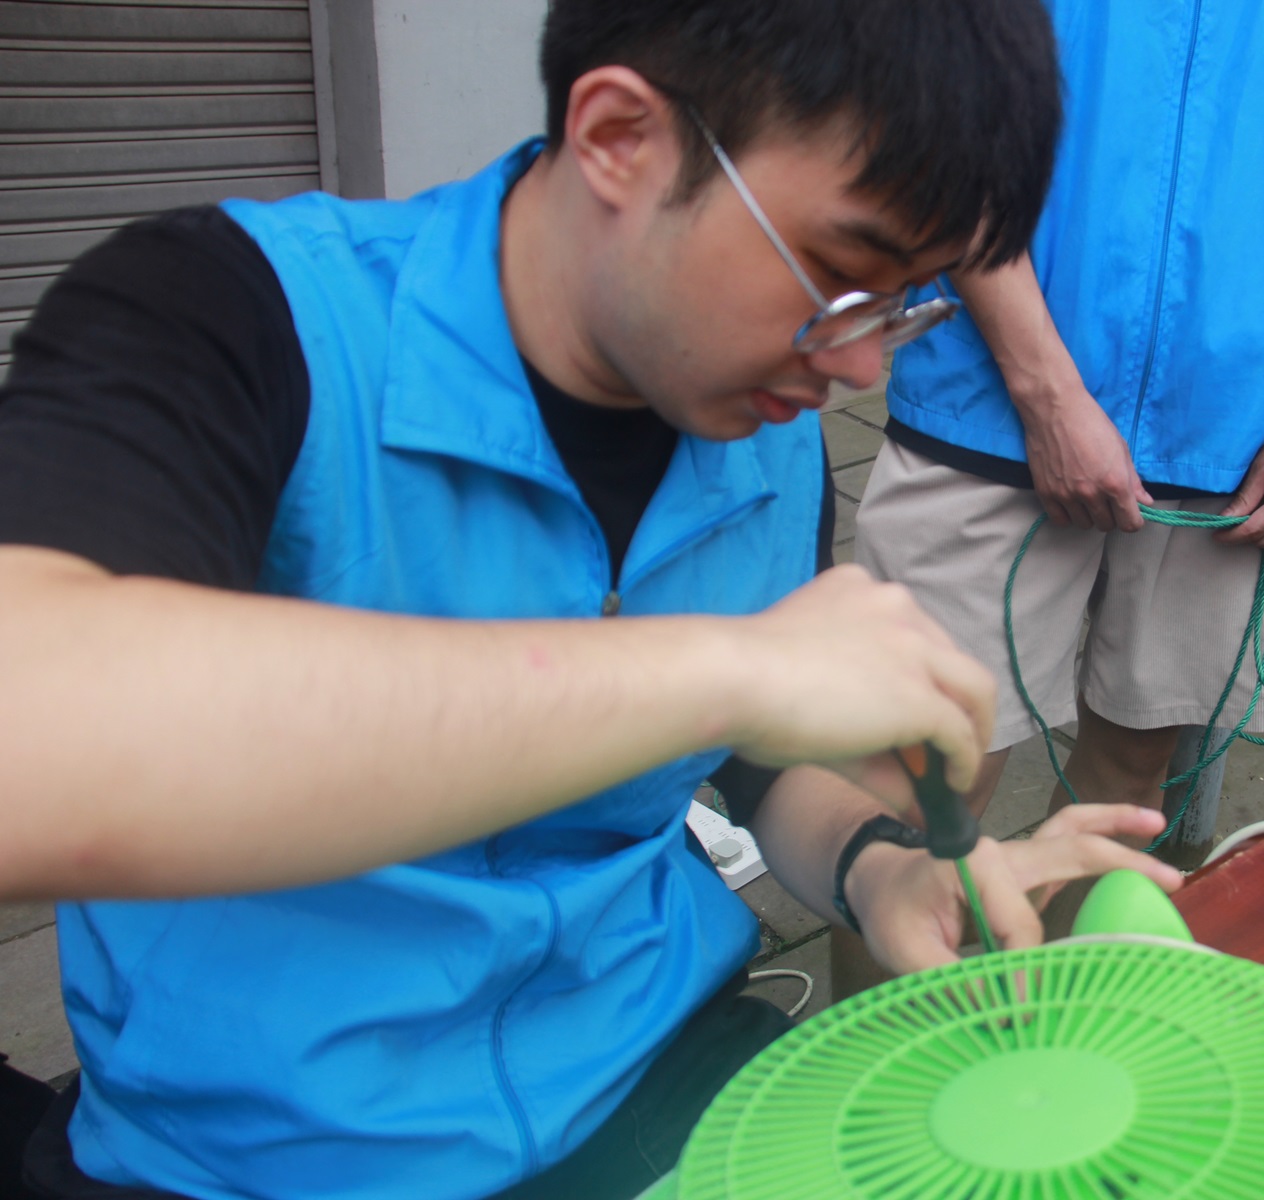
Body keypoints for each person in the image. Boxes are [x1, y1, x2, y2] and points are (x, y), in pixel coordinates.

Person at [0, 3, 1186, 1197]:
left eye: (906, 305)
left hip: (649, 1070)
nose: (858, 368)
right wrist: (721, 669)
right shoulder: (229, 318)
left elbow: (756, 765)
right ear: (620, 136)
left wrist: (882, 866)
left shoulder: (762, 433)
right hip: (258, 1155)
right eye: (838, 276)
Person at [850, 0, 1264, 883]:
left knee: (1131, 778)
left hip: (1238, 430)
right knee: (920, 793)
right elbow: (941, 94)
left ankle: (1071, 981)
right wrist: (1045, 392)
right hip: (982, 394)